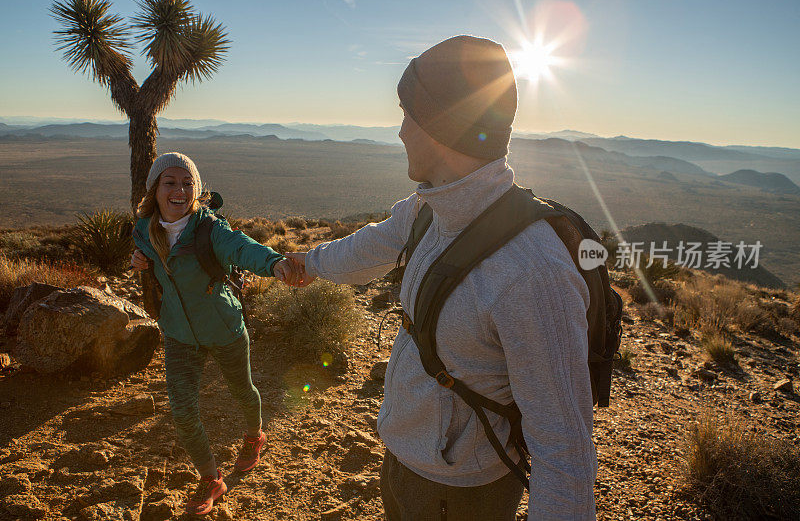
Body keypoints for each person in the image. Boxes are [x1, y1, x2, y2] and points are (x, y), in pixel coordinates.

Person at [287, 35, 597, 520]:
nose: (401, 132)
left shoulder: (532, 274)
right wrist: (311, 263)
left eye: (409, 115)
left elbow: (564, 452)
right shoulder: (431, 209)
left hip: (461, 494)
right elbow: (373, 246)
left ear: (438, 126)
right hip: (406, 460)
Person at [130, 152, 300, 515]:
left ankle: (255, 437)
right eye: (170, 182)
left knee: (242, 389)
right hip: (178, 333)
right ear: (155, 189)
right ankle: (211, 479)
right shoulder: (144, 230)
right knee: (182, 411)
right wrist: (138, 261)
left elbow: (242, 247)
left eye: (188, 183)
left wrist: (275, 263)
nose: (180, 190)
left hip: (224, 327)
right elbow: (145, 258)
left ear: (197, 189)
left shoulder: (210, 229)